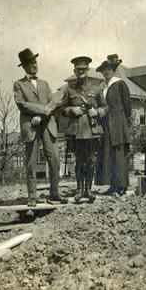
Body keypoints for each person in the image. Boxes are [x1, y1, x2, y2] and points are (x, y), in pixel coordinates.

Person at [14, 48, 68, 207]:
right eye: (30, 63)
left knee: (55, 159)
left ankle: (55, 194)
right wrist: (42, 111)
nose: (34, 66)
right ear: (24, 66)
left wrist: (42, 115)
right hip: (31, 127)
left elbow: (53, 102)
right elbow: (22, 104)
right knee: (31, 162)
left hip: (47, 124)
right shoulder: (19, 85)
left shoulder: (45, 83)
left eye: (35, 62)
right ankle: (32, 197)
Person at [60, 56, 106, 202]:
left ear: (88, 70)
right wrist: (71, 109)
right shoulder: (69, 90)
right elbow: (62, 108)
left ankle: (89, 190)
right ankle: (79, 190)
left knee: (91, 160)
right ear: (74, 71)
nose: (81, 72)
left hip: (92, 130)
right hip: (77, 130)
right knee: (79, 160)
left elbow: (106, 107)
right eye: (78, 70)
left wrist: (98, 112)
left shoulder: (97, 88)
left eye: (83, 69)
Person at [95, 54, 131, 195]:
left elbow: (127, 107)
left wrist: (122, 123)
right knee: (108, 154)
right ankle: (112, 185)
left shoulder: (120, 83)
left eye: (108, 69)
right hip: (106, 125)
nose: (106, 72)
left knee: (119, 155)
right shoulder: (103, 87)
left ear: (113, 70)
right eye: (104, 70)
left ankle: (122, 186)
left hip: (118, 123)